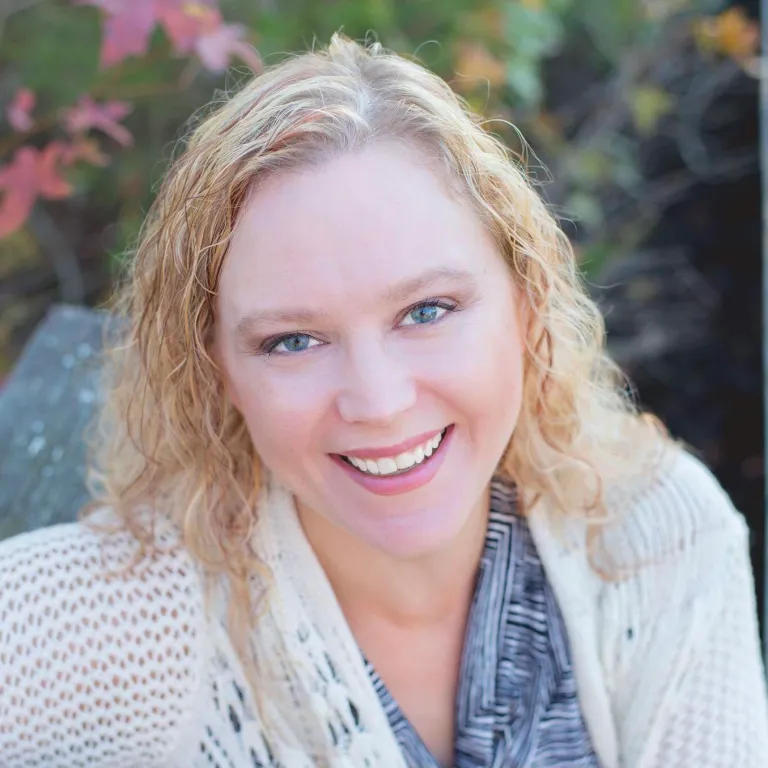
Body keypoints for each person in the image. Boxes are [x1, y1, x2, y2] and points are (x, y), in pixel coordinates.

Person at [1, 34, 766, 768]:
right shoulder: (140, 620)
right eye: (293, 341)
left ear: (526, 304)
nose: (378, 401)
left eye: (426, 311)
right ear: (216, 372)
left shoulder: (655, 537)